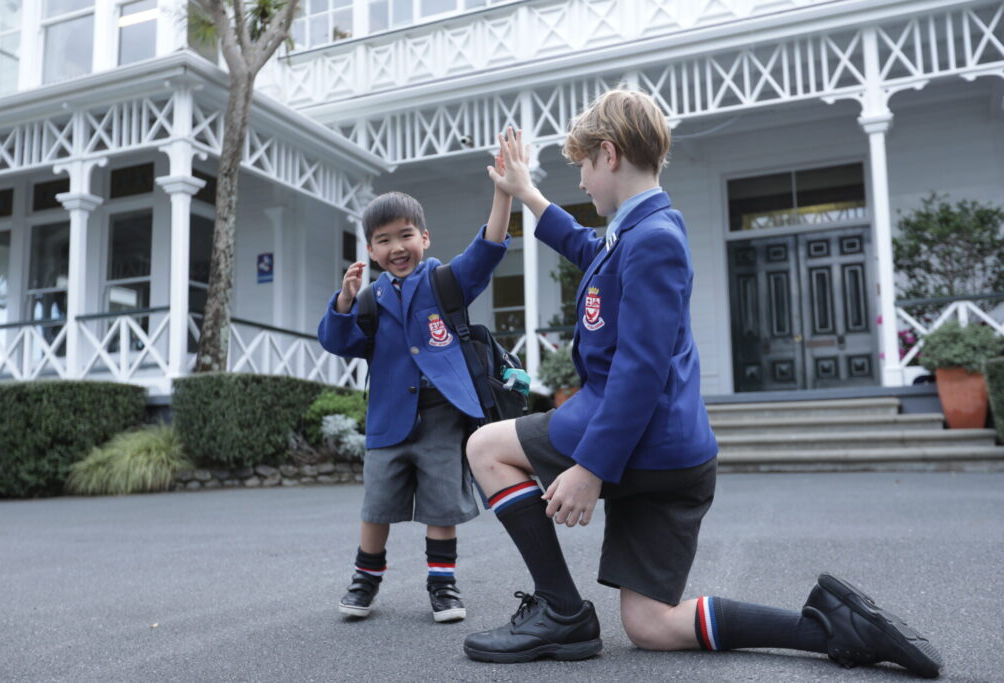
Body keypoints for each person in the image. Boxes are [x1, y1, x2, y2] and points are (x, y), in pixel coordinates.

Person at [462, 90, 943, 679]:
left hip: (638, 439)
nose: (582, 183)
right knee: (650, 626)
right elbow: (589, 250)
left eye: (583, 167)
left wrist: (590, 468)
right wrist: (527, 194)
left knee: (485, 447)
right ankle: (829, 629)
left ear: (608, 155)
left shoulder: (652, 238)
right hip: (672, 456)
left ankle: (561, 610)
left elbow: (643, 368)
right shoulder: (638, 229)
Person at [317, 177, 511, 622]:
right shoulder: (370, 300)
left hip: (444, 417)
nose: (396, 247)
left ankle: (442, 585)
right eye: (383, 240)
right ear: (370, 250)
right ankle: (365, 580)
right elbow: (335, 341)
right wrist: (344, 301)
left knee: (441, 503)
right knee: (377, 504)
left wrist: (503, 194)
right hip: (388, 419)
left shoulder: (445, 282)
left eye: (405, 235)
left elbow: (488, 249)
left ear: (424, 237)